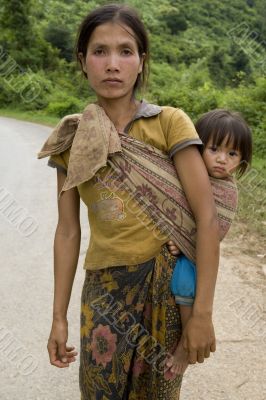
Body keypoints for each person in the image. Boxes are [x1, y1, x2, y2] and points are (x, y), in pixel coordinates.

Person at [37, 4, 220, 399]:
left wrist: (201, 312)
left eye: (125, 51)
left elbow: (206, 219)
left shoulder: (168, 123)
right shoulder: (72, 139)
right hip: (103, 291)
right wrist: (58, 319)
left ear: (141, 62)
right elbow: (68, 232)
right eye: (100, 52)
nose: (112, 64)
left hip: (166, 292)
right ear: (83, 62)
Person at [166, 109, 253, 378]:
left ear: (241, 163)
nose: (221, 159)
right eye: (214, 149)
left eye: (232, 154)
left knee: (184, 283)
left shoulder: (227, 190)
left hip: (196, 257)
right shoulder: (184, 174)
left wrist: (184, 242)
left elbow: (217, 230)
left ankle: (185, 343)